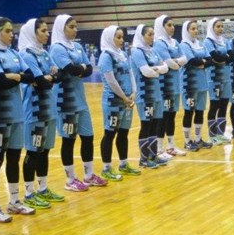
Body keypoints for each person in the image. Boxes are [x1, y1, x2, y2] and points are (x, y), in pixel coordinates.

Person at [0, 17, 35, 222]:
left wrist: (15, 76)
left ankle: (14, 201)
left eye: (12, 31)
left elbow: (30, 76)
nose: (12, 35)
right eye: (7, 31)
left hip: (17, 114)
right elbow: (1, 82)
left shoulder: (13, 53)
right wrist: (15, 76)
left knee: (14, 158)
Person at [50, 14, 112, 189]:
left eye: (76, 26)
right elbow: (71, 69)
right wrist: (80, 69)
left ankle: (88, 174)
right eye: (71, 27)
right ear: (61, 28)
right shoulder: (56, 48)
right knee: (68, 140)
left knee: (88, 137)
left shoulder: (77, 46)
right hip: (65, 100)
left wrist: (80, 69)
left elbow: (89, 69)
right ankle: (70, 180)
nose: (75, 29)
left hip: (80, 100)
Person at [17, 18, 66, 210]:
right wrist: (47, 78)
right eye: (43, 31)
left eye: (48, 31)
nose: (47, 34)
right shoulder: (27, 55)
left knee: (44, 151)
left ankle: (43, 188)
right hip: (34, 110)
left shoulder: (44, 53)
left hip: (49, 109)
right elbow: (41, 81)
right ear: (33, 33)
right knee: (33, 151)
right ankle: (29, 192)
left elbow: (59, 75)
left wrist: (48, 78)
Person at [98, 25, 141, 176]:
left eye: (122, 37)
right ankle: (106, 168)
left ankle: (124, 164)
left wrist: (134, 92)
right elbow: (111, 81)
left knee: (123, 133)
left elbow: (131, 74)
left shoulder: (122, 54)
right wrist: (124, 97)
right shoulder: (105, 56)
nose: (122, 40)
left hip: (128, 101)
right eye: (118, 37)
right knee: (109, 134)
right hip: (113, 102)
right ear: (110, 38)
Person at [131, 24, 169, 168]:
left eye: (153, 34)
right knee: (146, 126)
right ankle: (143, 159)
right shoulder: (137, 51)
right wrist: (156, 70)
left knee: (155, 125)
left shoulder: (152, 50)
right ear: (142, 36)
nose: (152, 37)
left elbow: (165, 68)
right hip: (145, 95)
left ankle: (153, 156)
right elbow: (146, 72)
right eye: (149, 34)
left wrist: (155, 69)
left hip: (156, 94)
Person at [153, 15, 188, 158]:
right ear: (161, 27)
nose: (172, 28)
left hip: (175, 85)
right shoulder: (159, 43)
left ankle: (171, 146)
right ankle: (159, 148)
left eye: (173, 25)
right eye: (169, 25)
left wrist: (176, 61)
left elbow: (185, 59)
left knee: (172, 116)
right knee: (163, 116)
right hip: (165, 85)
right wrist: (176, 61)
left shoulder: (174, 42)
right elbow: (169, 64)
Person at [179, 20, 212, 151]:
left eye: (196, 28)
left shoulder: (201, 44)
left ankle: (198, 139)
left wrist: (202, 62)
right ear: (186, 31)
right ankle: (187, 141)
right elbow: (192, 61)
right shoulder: (183, 45)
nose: (195, 31)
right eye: (192, 29)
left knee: (199, 112)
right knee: (189, 112)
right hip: (190, 84)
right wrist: (202, 61)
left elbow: (209, 61)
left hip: (202, 83)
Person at [204, 18, 234, 144]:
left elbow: (232, 56)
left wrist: (224, 58)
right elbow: (214, 57)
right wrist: (224, 57)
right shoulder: (208, 41)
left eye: (222, 26)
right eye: (218, 26)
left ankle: (221, 134)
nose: (221, 29)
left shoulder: (226, 41)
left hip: (226, 77)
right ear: (212, 28)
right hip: (214, 77)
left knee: (224, 105)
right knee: (214, 105)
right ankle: (212, 135)